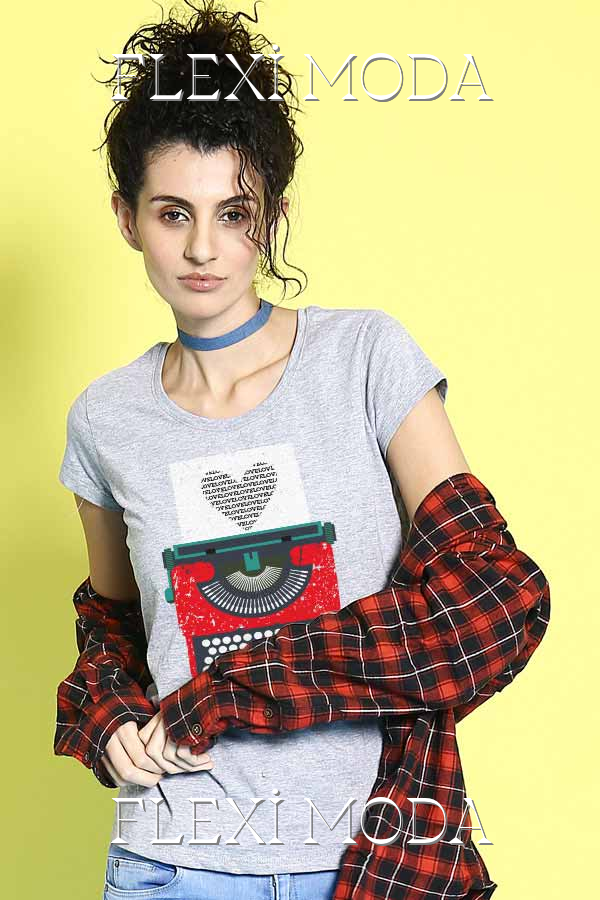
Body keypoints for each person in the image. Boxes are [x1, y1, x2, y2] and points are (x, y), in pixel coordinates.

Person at [55, 2, 550, 899]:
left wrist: (241, 686)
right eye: (172, 213)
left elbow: (494, 594)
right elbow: (112, 627)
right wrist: (113, 715)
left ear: (274, 215)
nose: (202, 248)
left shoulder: (364, 359)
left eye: (234, 213)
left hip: (365, 854)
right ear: (127, 217)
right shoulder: (105, 418)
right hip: (171, 862)